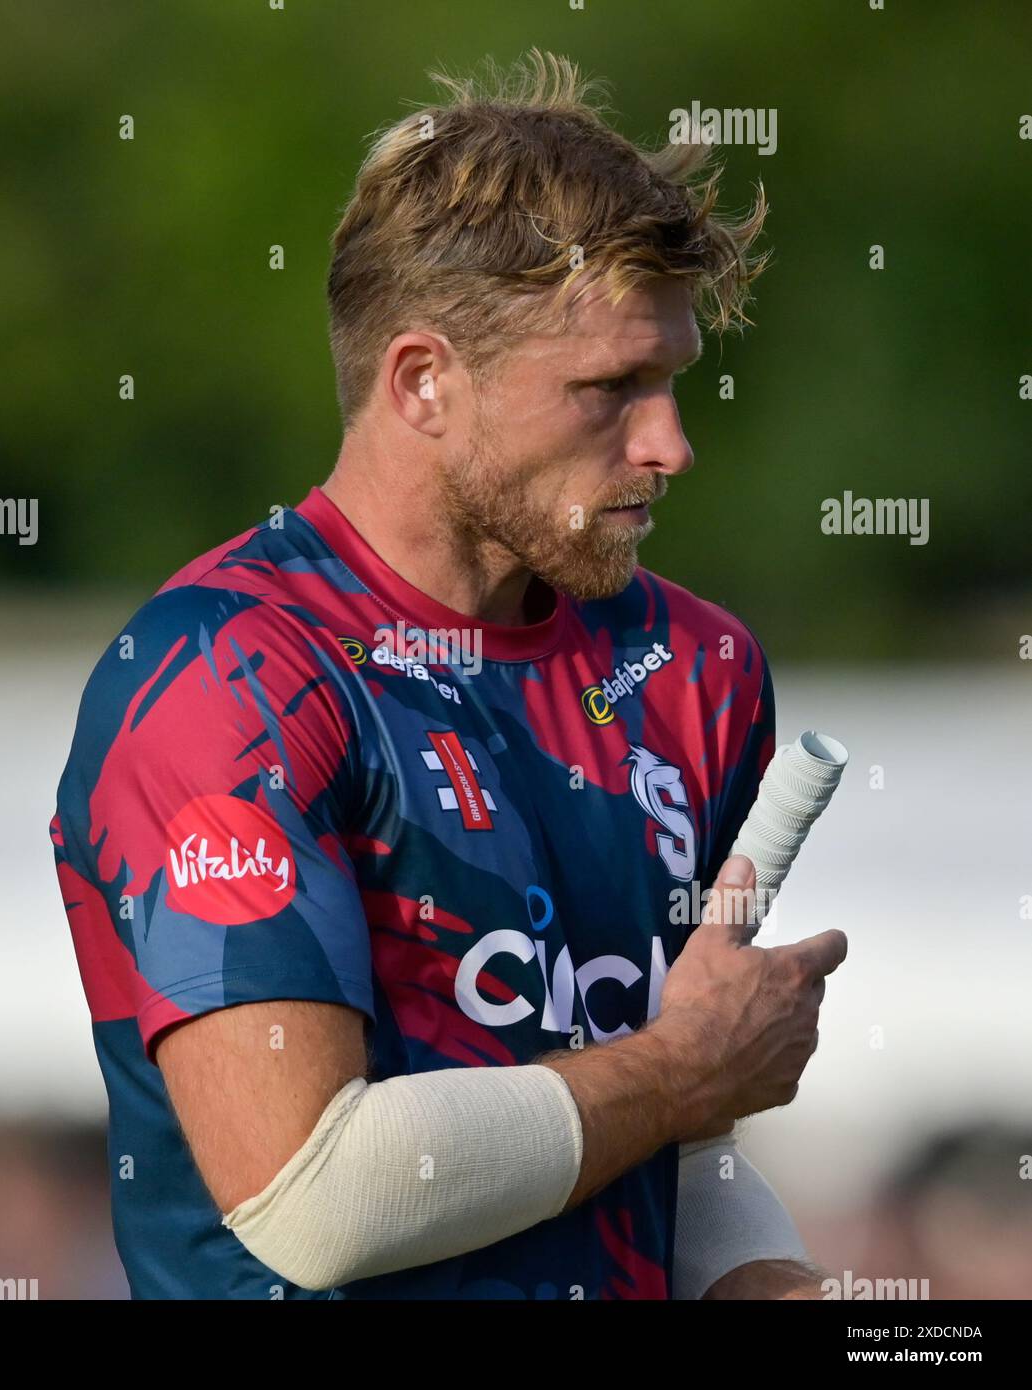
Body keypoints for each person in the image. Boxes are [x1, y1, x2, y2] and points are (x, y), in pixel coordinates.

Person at [52, 49, 847, 1300]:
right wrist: (688, 1070)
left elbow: (669, 1151)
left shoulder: (698, 669)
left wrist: (786, 1287)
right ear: (424, 381)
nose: (671, 444)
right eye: (610, 390)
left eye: (673, 381)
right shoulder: (227, 677)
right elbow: (317, 1199)